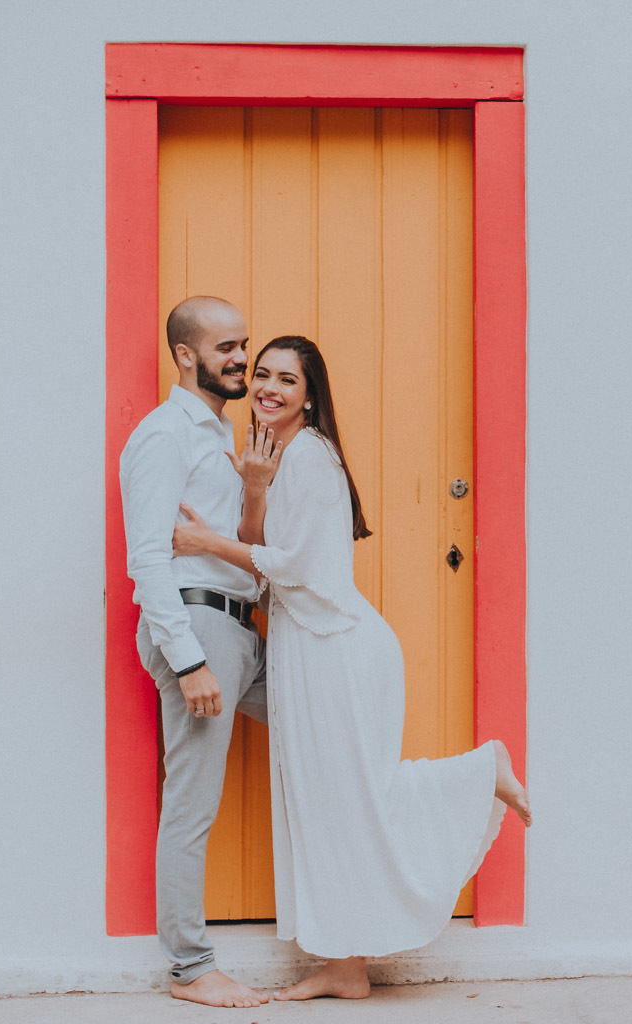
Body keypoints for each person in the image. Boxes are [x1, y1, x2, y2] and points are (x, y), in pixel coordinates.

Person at [172, 334, 533, 1001]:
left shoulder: (309, 457)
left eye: (287, 380)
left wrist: (200, 542)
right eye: (262, 375)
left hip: (336, 648)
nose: (269, 389)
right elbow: (264, 548)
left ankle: (483, 771)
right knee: (331, 805)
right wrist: (253, 488)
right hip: (310, 649)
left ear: (311, 397)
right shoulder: (278, 458)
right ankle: (347, 966)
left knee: (356, 798)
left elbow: (294, 567)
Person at [119, 296, 281, 1009]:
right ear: (186, 355)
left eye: (243, 345)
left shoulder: (223, 432)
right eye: (227, 348)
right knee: (193, 803)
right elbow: (148, 558)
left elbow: (240, 543)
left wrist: (252, 488)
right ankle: (190, 967)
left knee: (328, 729)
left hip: (241, 626)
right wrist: (187, 662)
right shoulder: (163, 435)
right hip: (198, 628)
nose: (241, 359)